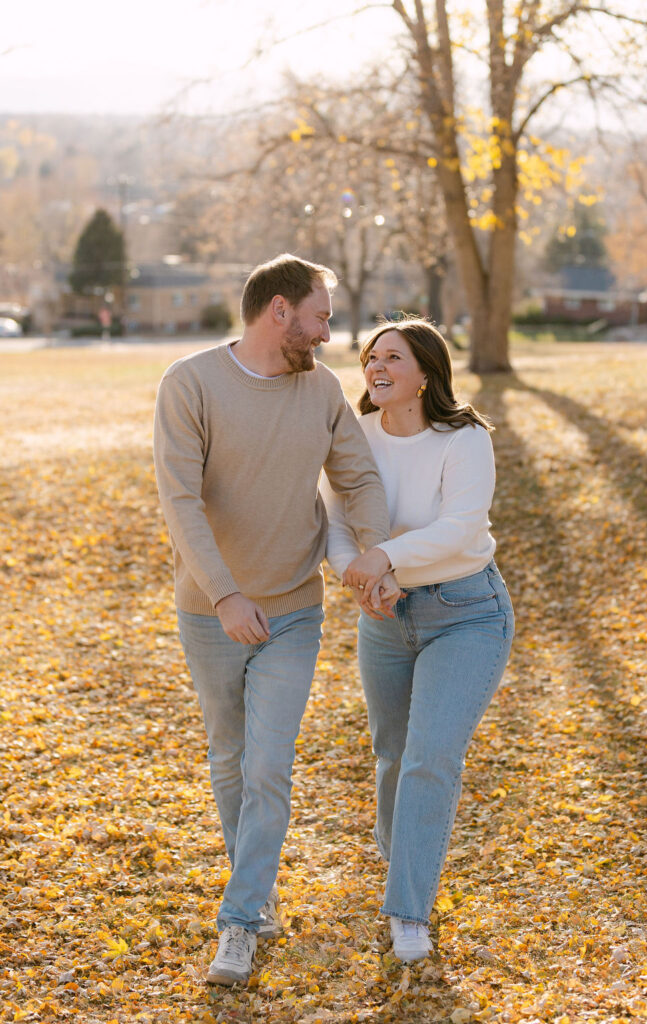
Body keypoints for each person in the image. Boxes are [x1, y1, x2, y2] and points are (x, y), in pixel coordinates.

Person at [153, 254, 390, 985]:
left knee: (267, 767)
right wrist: (224, 594)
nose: (327, 335)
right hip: (210, 612)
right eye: (319, 317)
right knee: (230, 762)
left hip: (292, 608)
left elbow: (358, 475)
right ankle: (256, 896)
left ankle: (238, 923)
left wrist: (374, 554)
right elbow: (180, 501)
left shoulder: (319, 390)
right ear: (279, 311)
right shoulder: (189, 383)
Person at [323, 317, 514, 962]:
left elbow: (461, 529)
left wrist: (386, 561)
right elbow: (336, 518)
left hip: (466, 613)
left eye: (392, 358)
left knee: (429, 759)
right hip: (383, 616)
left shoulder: (464, 439)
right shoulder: (354, 436)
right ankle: (399, 860)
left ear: (426, 374)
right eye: (371, 357)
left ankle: (409, 910)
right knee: (391, 758)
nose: (376, 367)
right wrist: (359, 577)